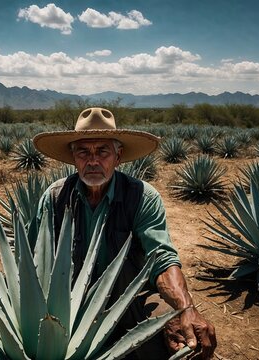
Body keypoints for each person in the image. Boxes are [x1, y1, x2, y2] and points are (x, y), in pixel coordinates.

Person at [33, 107, 216, 359]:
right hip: (63, 310)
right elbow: (32, 261)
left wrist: (185, 308)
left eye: (103, 151)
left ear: (118, 156)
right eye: (84, 152)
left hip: (128, 300)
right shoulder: (55, 197)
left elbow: (161, 259)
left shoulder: (142, 197)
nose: (93, 161)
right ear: (73, 158)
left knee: (184, 341)